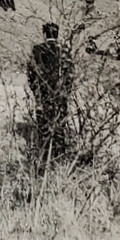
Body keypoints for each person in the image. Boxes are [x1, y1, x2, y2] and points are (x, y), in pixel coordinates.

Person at [26, 23, 69, 162]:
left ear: (44, 34)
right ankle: (60, 159)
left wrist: (36, 91)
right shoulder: (64, 51)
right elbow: (70, 74)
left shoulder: (38, 50)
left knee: (43, 127)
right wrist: (66, 91)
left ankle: (44, 159)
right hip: (60, 94)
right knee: (59, 127)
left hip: (43, 94)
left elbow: (31, 73)